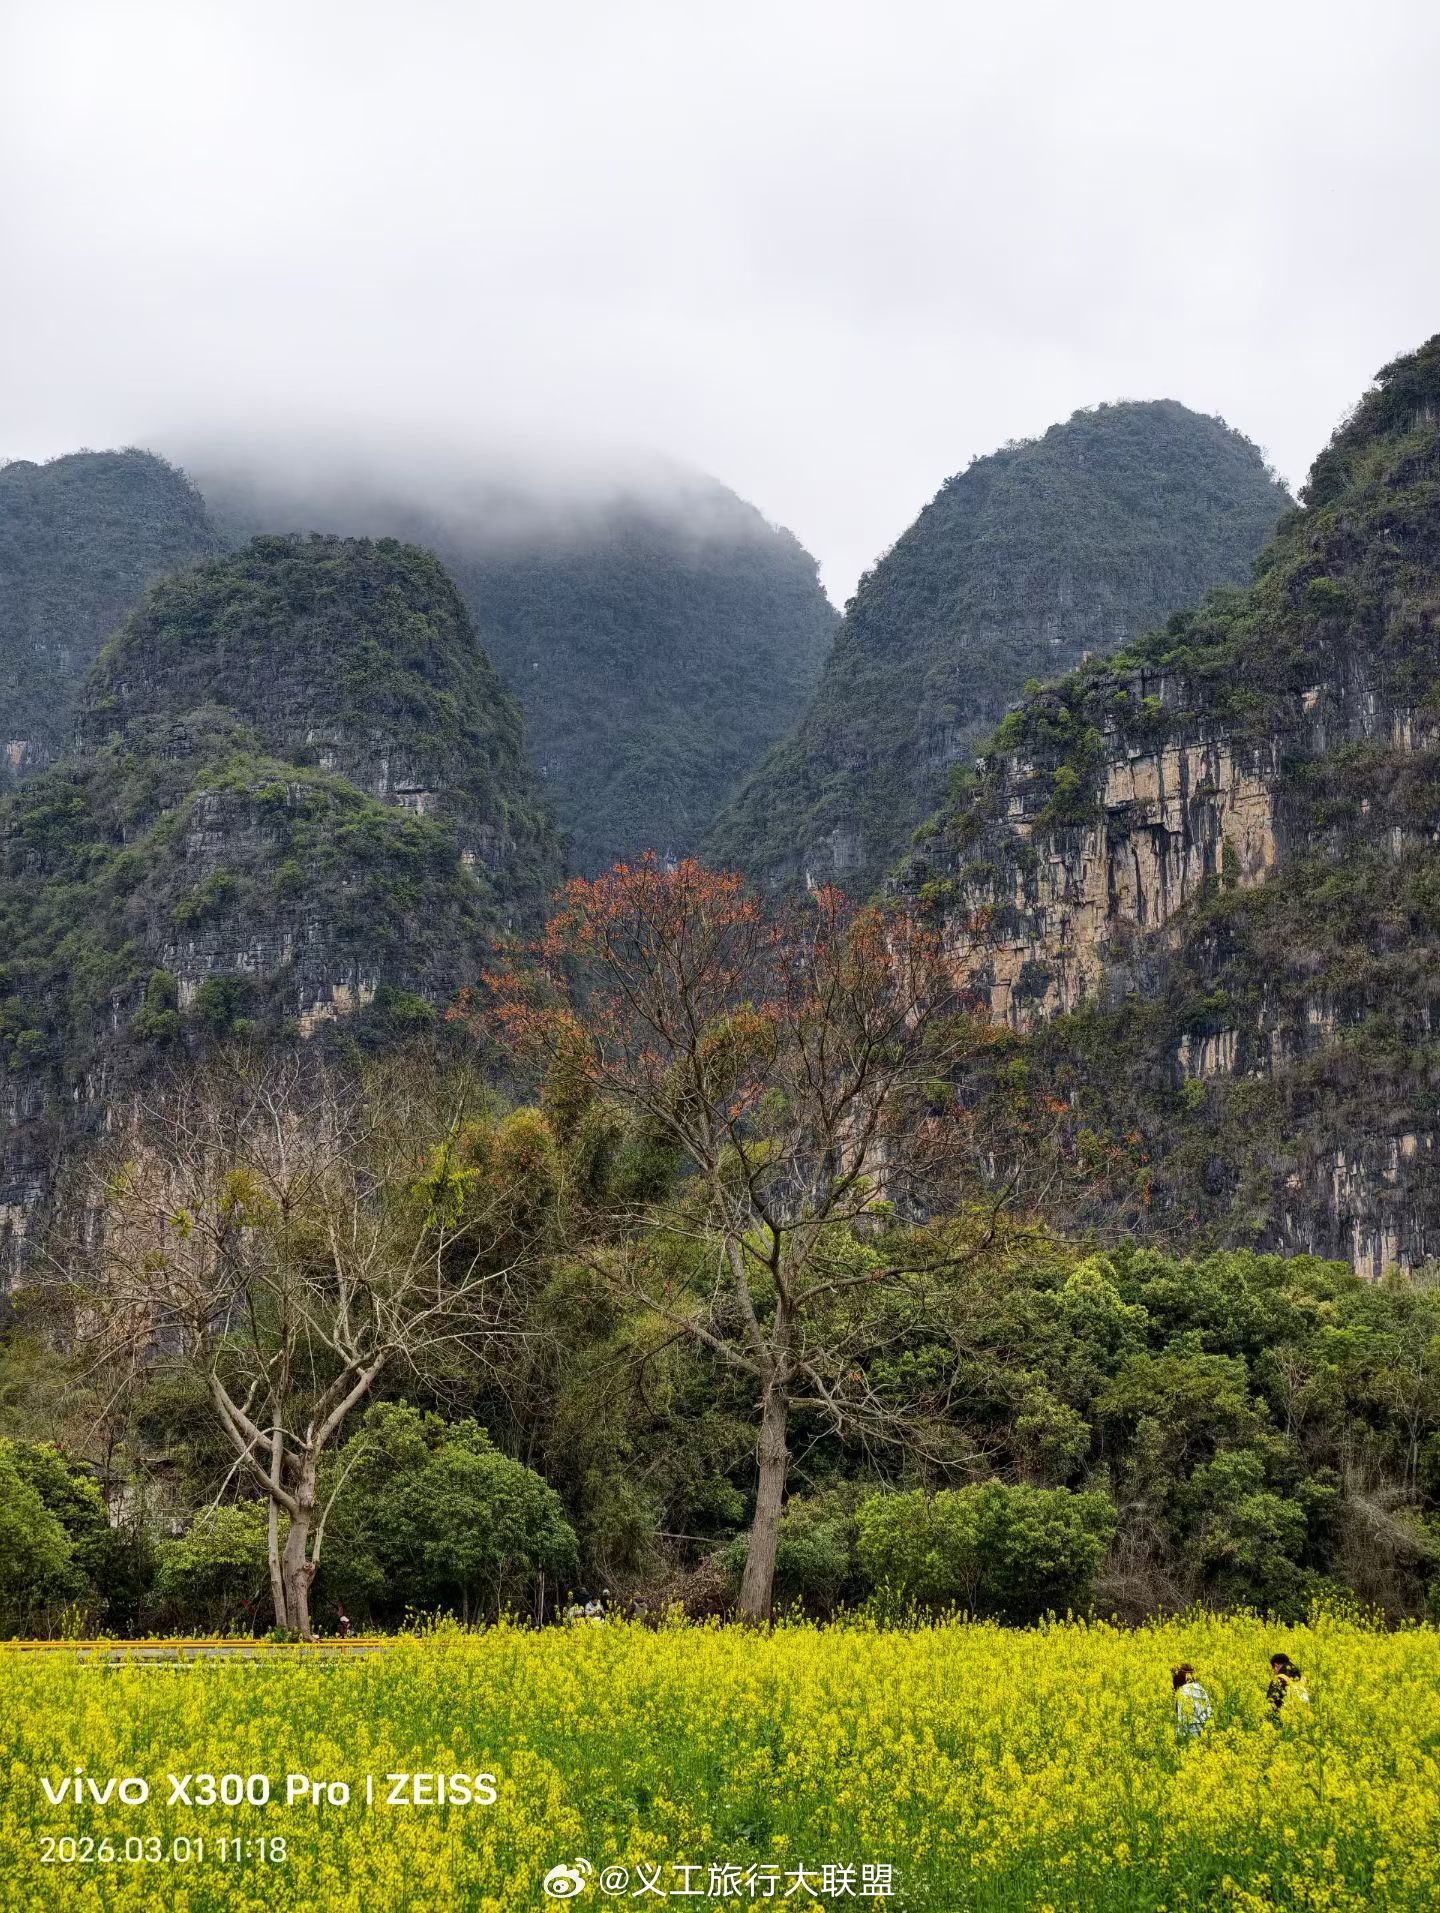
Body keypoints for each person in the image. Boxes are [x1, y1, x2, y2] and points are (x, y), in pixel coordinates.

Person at [1172, 1663, 1212, 1739]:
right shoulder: (1201, 1688)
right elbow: (1209, 1709)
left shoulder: (1182, 1691)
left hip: (1189, 1730)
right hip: (1204, 1728)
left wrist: (1179, 1736)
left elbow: (1181, 1717)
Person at [1266, 1652, 1310, 1717]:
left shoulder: (1279, 1679)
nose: (1274, 1671)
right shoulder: (1303, 1679)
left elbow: (1271, 1702)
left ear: (1276, 1665)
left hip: (1287, 1718)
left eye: (1273, 1668)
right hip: (1305, 1717)